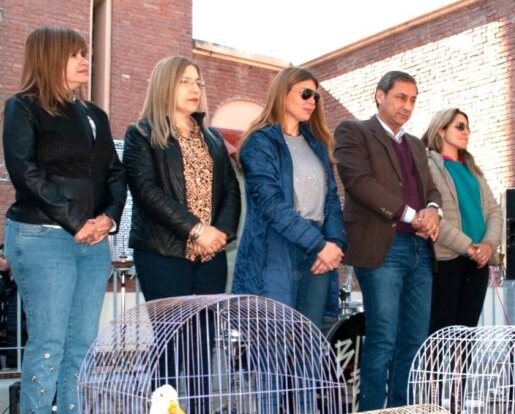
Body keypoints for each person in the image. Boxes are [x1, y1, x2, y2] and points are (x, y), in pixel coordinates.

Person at [2, 27, 127, 414]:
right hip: (42, 238)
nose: (85, 60)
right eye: (75, 54)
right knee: (49, 343)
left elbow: (115, 174)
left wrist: (108, 218)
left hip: (92, 244)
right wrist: (78, 222)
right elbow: (26, 172)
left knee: (83, 344)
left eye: (86, 53)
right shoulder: (22, 107)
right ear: (50, 57)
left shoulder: (95, 115)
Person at [123, 56, 241, 412]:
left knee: (203, 346)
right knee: (170, 345)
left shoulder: (213, 139)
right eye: (185, 82)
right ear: (165, 85)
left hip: (210, 256)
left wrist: (220, 234)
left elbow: (231, 191)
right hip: (162, 253)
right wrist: (197, 230)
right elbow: (146, 192)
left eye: (198, 83)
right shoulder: (141, 133)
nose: (195, 89)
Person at [334, 71, 442, 409]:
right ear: (379, 96)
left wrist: (434, 211)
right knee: (383, 339)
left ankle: (403, 407)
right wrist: (413, 215)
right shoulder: (353, 132)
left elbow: (431, 189)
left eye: (413, 100)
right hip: (384, 248)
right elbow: (358, 182)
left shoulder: (416, 144)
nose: (407, 106)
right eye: (400, 97)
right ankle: (371, 410)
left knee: (414, 341)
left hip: (420, 251)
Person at [232, 66, 346, 328]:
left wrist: (335, 244)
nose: (312, 102)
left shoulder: (317, 144)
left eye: (316, 97)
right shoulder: (260, 142)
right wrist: (319, 245)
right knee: (273, 340)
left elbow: (331, 199)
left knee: (310, 340)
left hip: (319, 253)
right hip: (276, 248)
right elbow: (270, 204)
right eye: (306, 94)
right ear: (282, 94)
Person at [421, 108, 502, 333]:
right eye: (460, 126)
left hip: (478, 263)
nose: (467, 132)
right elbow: (432, 214)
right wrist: (468, 247)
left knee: (467, 336)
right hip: (447, 260)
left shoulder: (473, 170)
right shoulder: (428, 165)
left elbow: (494, 211)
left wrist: (487, 246)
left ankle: (464, 371)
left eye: (467, 127)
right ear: (440, 130)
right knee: (439, 335)